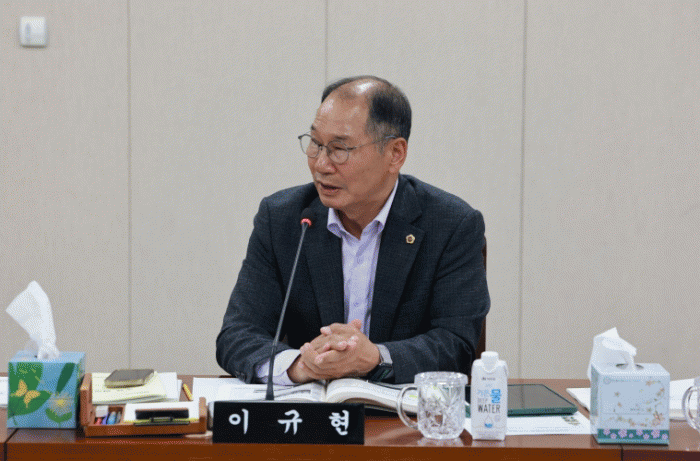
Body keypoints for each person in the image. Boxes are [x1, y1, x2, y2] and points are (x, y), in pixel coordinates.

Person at [216, 76, 489, 384]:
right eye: (316, 143)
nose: (321, 164)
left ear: (395, 154)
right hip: (309, 407)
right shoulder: (283, 219)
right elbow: (237, 335)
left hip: (401, 409)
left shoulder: (451, 226)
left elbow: (456, 345)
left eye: (340, 149)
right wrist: (300, 366)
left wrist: (375, 358)